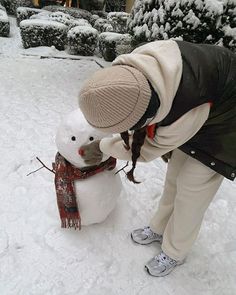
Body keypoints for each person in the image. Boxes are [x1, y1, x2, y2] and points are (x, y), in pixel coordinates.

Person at [78, 40, 236, 277]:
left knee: (192, 190)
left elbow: (145, 150)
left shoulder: (185, 107)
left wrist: (103, 146)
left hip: (226, 128)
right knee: (174, 178)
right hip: (202, 107)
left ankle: (175, 251)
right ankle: (159, 228)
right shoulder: (136, 69)